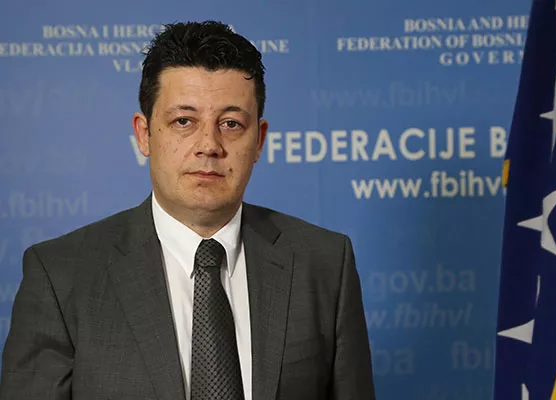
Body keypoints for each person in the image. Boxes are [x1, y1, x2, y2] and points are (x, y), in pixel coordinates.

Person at [0, 21, 375, 400]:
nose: (209, 144)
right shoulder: (61, 276)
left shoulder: (325, 264)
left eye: (231, 124)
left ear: (259, 140)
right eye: (184, 121)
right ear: (144, 134)